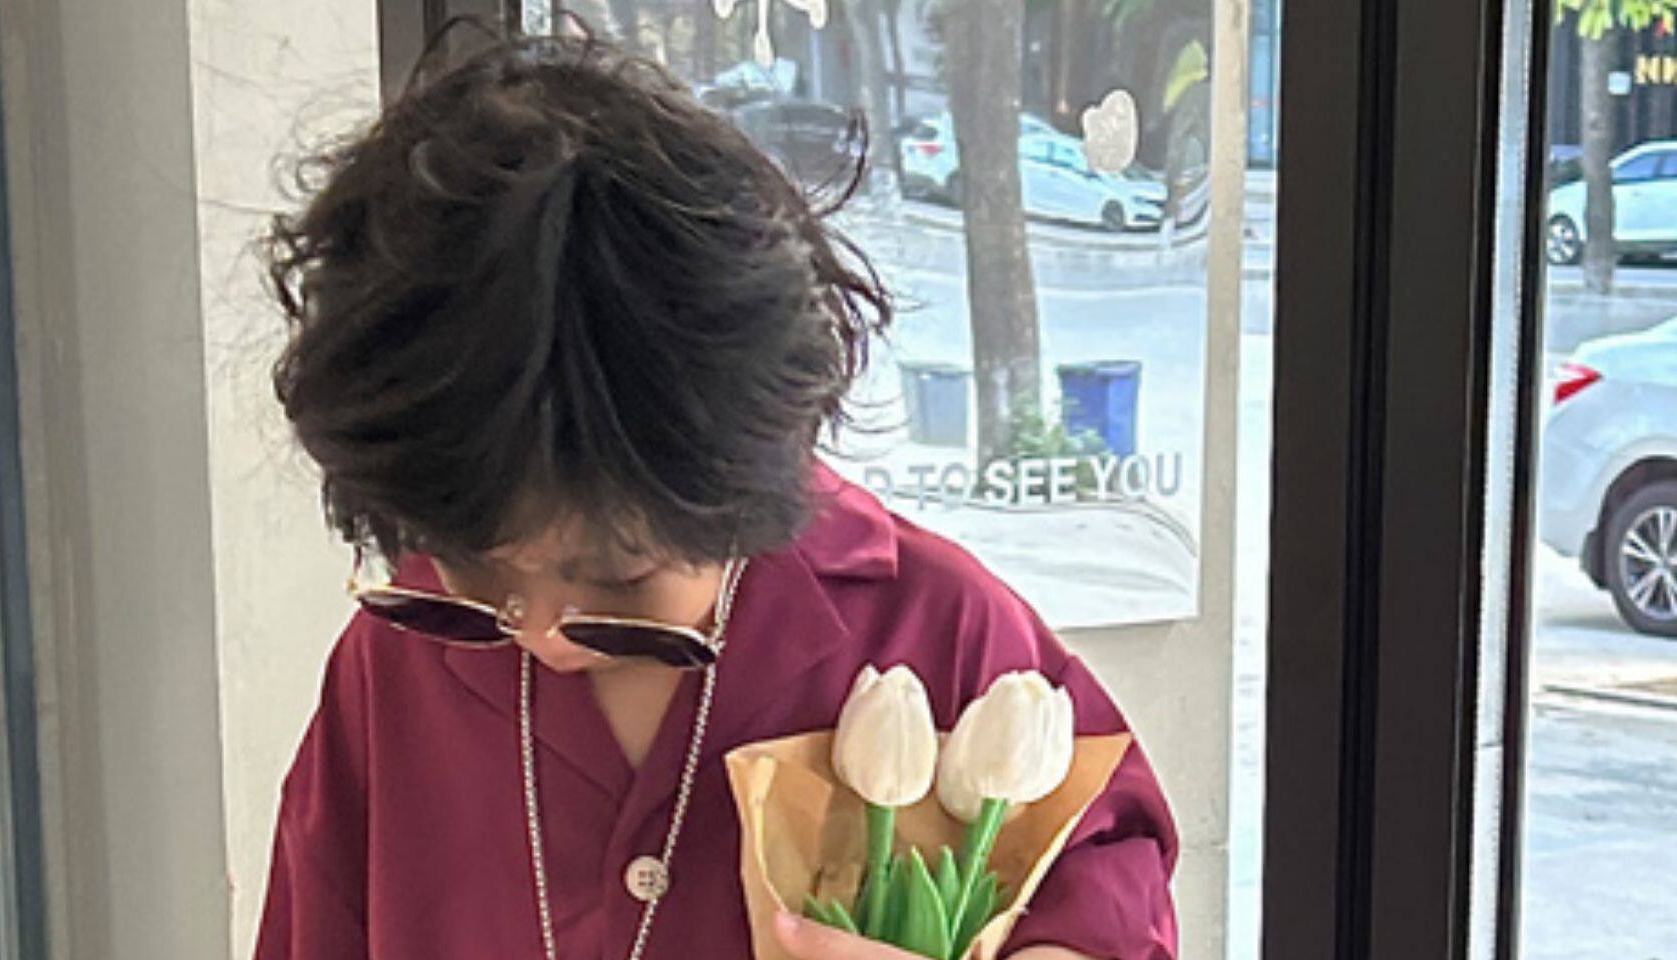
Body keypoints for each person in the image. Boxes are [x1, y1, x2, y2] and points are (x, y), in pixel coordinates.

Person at [252, 30, 1178, 960]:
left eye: (620, 583)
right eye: (479, 574)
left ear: (734, 480)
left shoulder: (933, 630)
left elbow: (1110, 880)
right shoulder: (397, 662)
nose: (541, 632)